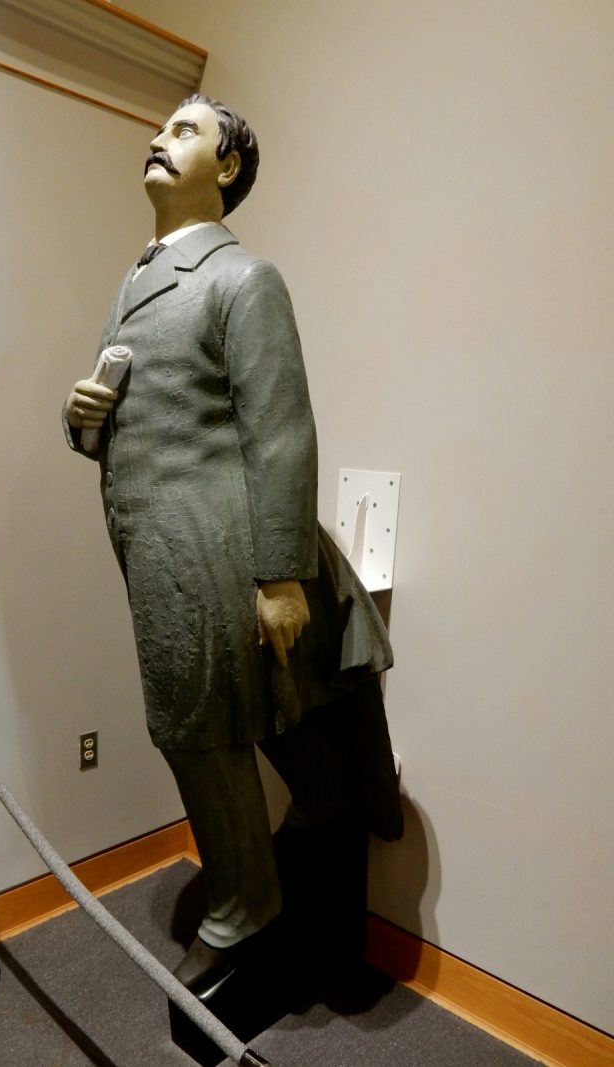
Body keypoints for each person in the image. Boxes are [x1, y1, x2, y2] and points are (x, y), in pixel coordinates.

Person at [63, 94, 402, 991]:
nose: (158, 138)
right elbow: (131, 415)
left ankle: (246, 903)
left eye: (184, 132)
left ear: (228, 168)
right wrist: (82, 418)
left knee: (194, 730)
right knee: (210, 727)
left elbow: (281, 431)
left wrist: (282, 576)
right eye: (161, 128)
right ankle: (288, 851)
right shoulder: (135, 283)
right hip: (156, 549)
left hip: (219, 545)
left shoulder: (242, 280)